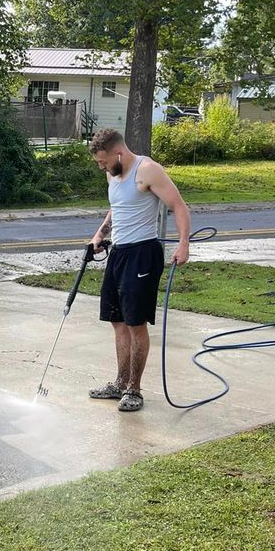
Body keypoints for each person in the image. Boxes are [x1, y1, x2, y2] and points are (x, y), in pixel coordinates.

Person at [87, 127, 191, 412]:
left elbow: (179, 207)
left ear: (118, 153)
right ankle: (120, 383)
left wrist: (183, 245)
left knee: (135, 324)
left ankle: (134, 389)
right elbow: (116, 208)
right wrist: (100, 234)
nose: (101, 167)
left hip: (143, 254)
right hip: (119, 253)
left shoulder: (148, 170)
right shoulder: (113, 173)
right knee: (117, 321)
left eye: (103, 161)